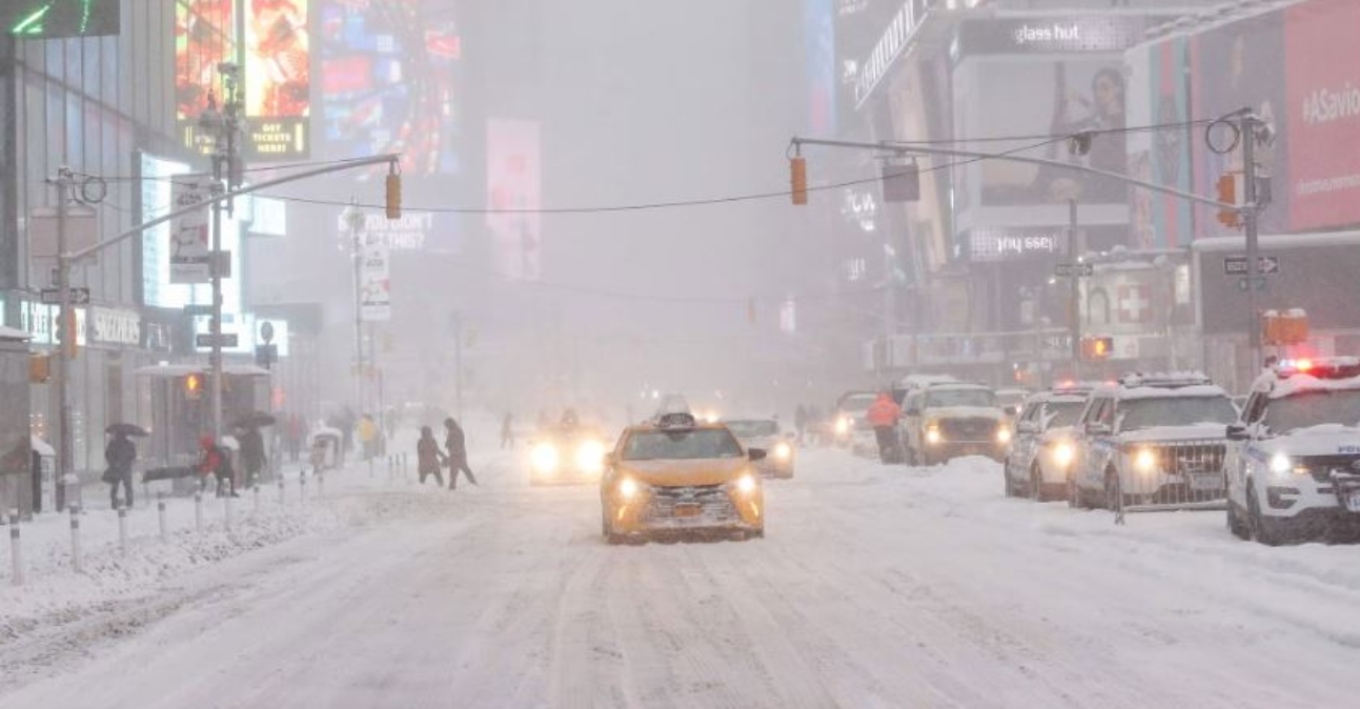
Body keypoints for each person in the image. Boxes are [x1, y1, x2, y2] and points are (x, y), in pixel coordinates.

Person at [866, 391, 904, 464]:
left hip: (877, 427)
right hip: (889, 426)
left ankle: (883, 455)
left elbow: (868, 416)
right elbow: (899, 415)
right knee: (890, 441)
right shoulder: (893, 405)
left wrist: (873, 422)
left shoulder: (873, 406)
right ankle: (891, 455)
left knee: (881, 442)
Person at [443, 417, 478, 490]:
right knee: (464, 469)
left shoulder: (455, 431)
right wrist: (448, 442)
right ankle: (473, 482)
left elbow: (457, 442)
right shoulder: (454, 430)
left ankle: (452, 487)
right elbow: (454, 441)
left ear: (450, 424)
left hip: (457, 454)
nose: (446, 427)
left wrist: (449, 444)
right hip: (458, 454)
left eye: (446, 425)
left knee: (455, 471)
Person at [104, 431, 137, 509]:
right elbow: (133, 456)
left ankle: (114, 503)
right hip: (126, 468)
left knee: (114, 487)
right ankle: (129, 503)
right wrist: (128, 462)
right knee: (128, 486)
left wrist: (112, 463)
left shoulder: (112, 444)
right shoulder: (130, 444)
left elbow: (107, 455)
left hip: (116, 468)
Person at [238, 426, 266, 490]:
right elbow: (261, 449)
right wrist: (264, 460)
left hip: (249, 459)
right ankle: (253, 486)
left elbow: (242, 449)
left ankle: (249, 486)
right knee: (255, 473)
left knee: (249, 473)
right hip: (255, 459)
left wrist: (241, 458)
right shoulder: (259, 437)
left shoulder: (245, 437)